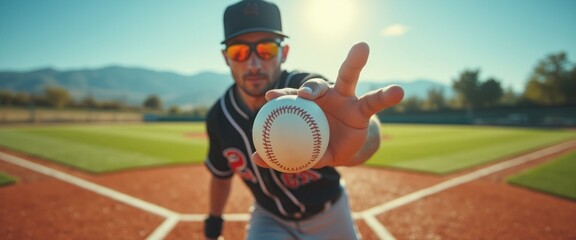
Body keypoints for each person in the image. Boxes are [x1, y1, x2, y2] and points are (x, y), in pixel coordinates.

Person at [203, 1, 404, 239]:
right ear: (226, 57)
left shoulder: (308, 91)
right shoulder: (219, 116)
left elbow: (364, 128)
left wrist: (360, 139)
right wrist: (214, 218)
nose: (254, 63)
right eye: (239, 51)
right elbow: (221, 175)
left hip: (331, 214)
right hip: (270, 218)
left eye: (266, 49)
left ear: (284, 53)